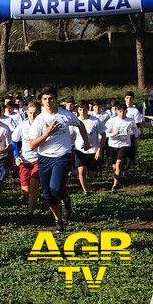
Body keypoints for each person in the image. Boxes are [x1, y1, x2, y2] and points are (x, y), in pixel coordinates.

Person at [29, 86, 90, 232]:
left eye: (51, 98)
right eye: (45, 99)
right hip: (44, 158)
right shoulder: (39, 120)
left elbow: (80, 124)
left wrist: (86, 141)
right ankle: (58, 220)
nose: (48, 101)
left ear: (56, 99)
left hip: (63, 155)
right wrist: (47, 133)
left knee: (55, 188)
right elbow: (32, 145)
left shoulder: (65, 115)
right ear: (41, 101)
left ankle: (66, 199)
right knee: (47, 194)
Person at [12, 101, 41, 214]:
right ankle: (30, 202)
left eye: (35, 113)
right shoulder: (22, 125)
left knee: (34, 184)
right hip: (24, 160)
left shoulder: (43, 125)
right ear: (27, 112)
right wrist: (16, 156)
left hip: (38, 159)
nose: (32, 116)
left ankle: (30, 212)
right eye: (30, 113)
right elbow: (14, 141)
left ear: (39, 113)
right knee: (25, 191)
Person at [71, 101, 106, 195]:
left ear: (88, 109)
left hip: (92, 151)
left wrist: (99, 150)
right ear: (77, 110)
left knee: (92, 173)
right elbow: (71, 137)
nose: (82, 111)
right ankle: (85, 190)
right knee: (81, 171)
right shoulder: (75, 121)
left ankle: (93, 175)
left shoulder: (95, 121)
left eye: (84, 109)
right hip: (79, 150)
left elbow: (103, 135)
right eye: (80, 109)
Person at [105, 103, 139, 193]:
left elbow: (135, 129)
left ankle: (114, 186)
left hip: (124, 144)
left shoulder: (130, 120)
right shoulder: (112, 121)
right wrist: (112, 134)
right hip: (113, 145)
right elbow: (105, 132)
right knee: (114, 167)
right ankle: (116, 178)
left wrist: (136, 138)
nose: (122, 113)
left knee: (119, 163)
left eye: (124, 111)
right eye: (120, 111)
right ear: (117, 111)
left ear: (126, 111)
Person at [124, 91, 144, 175]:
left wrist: (137, 137)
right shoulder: (120, 108)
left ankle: (125, 170)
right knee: (121, 154)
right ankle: (119, 169)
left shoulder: (135, 111)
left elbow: (138, 125)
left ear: (133, 99)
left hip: (131, 135)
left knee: (130, 155)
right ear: (124, 99)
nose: (129, 100)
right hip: (120, 136)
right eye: (127, 98)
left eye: (131, 98)